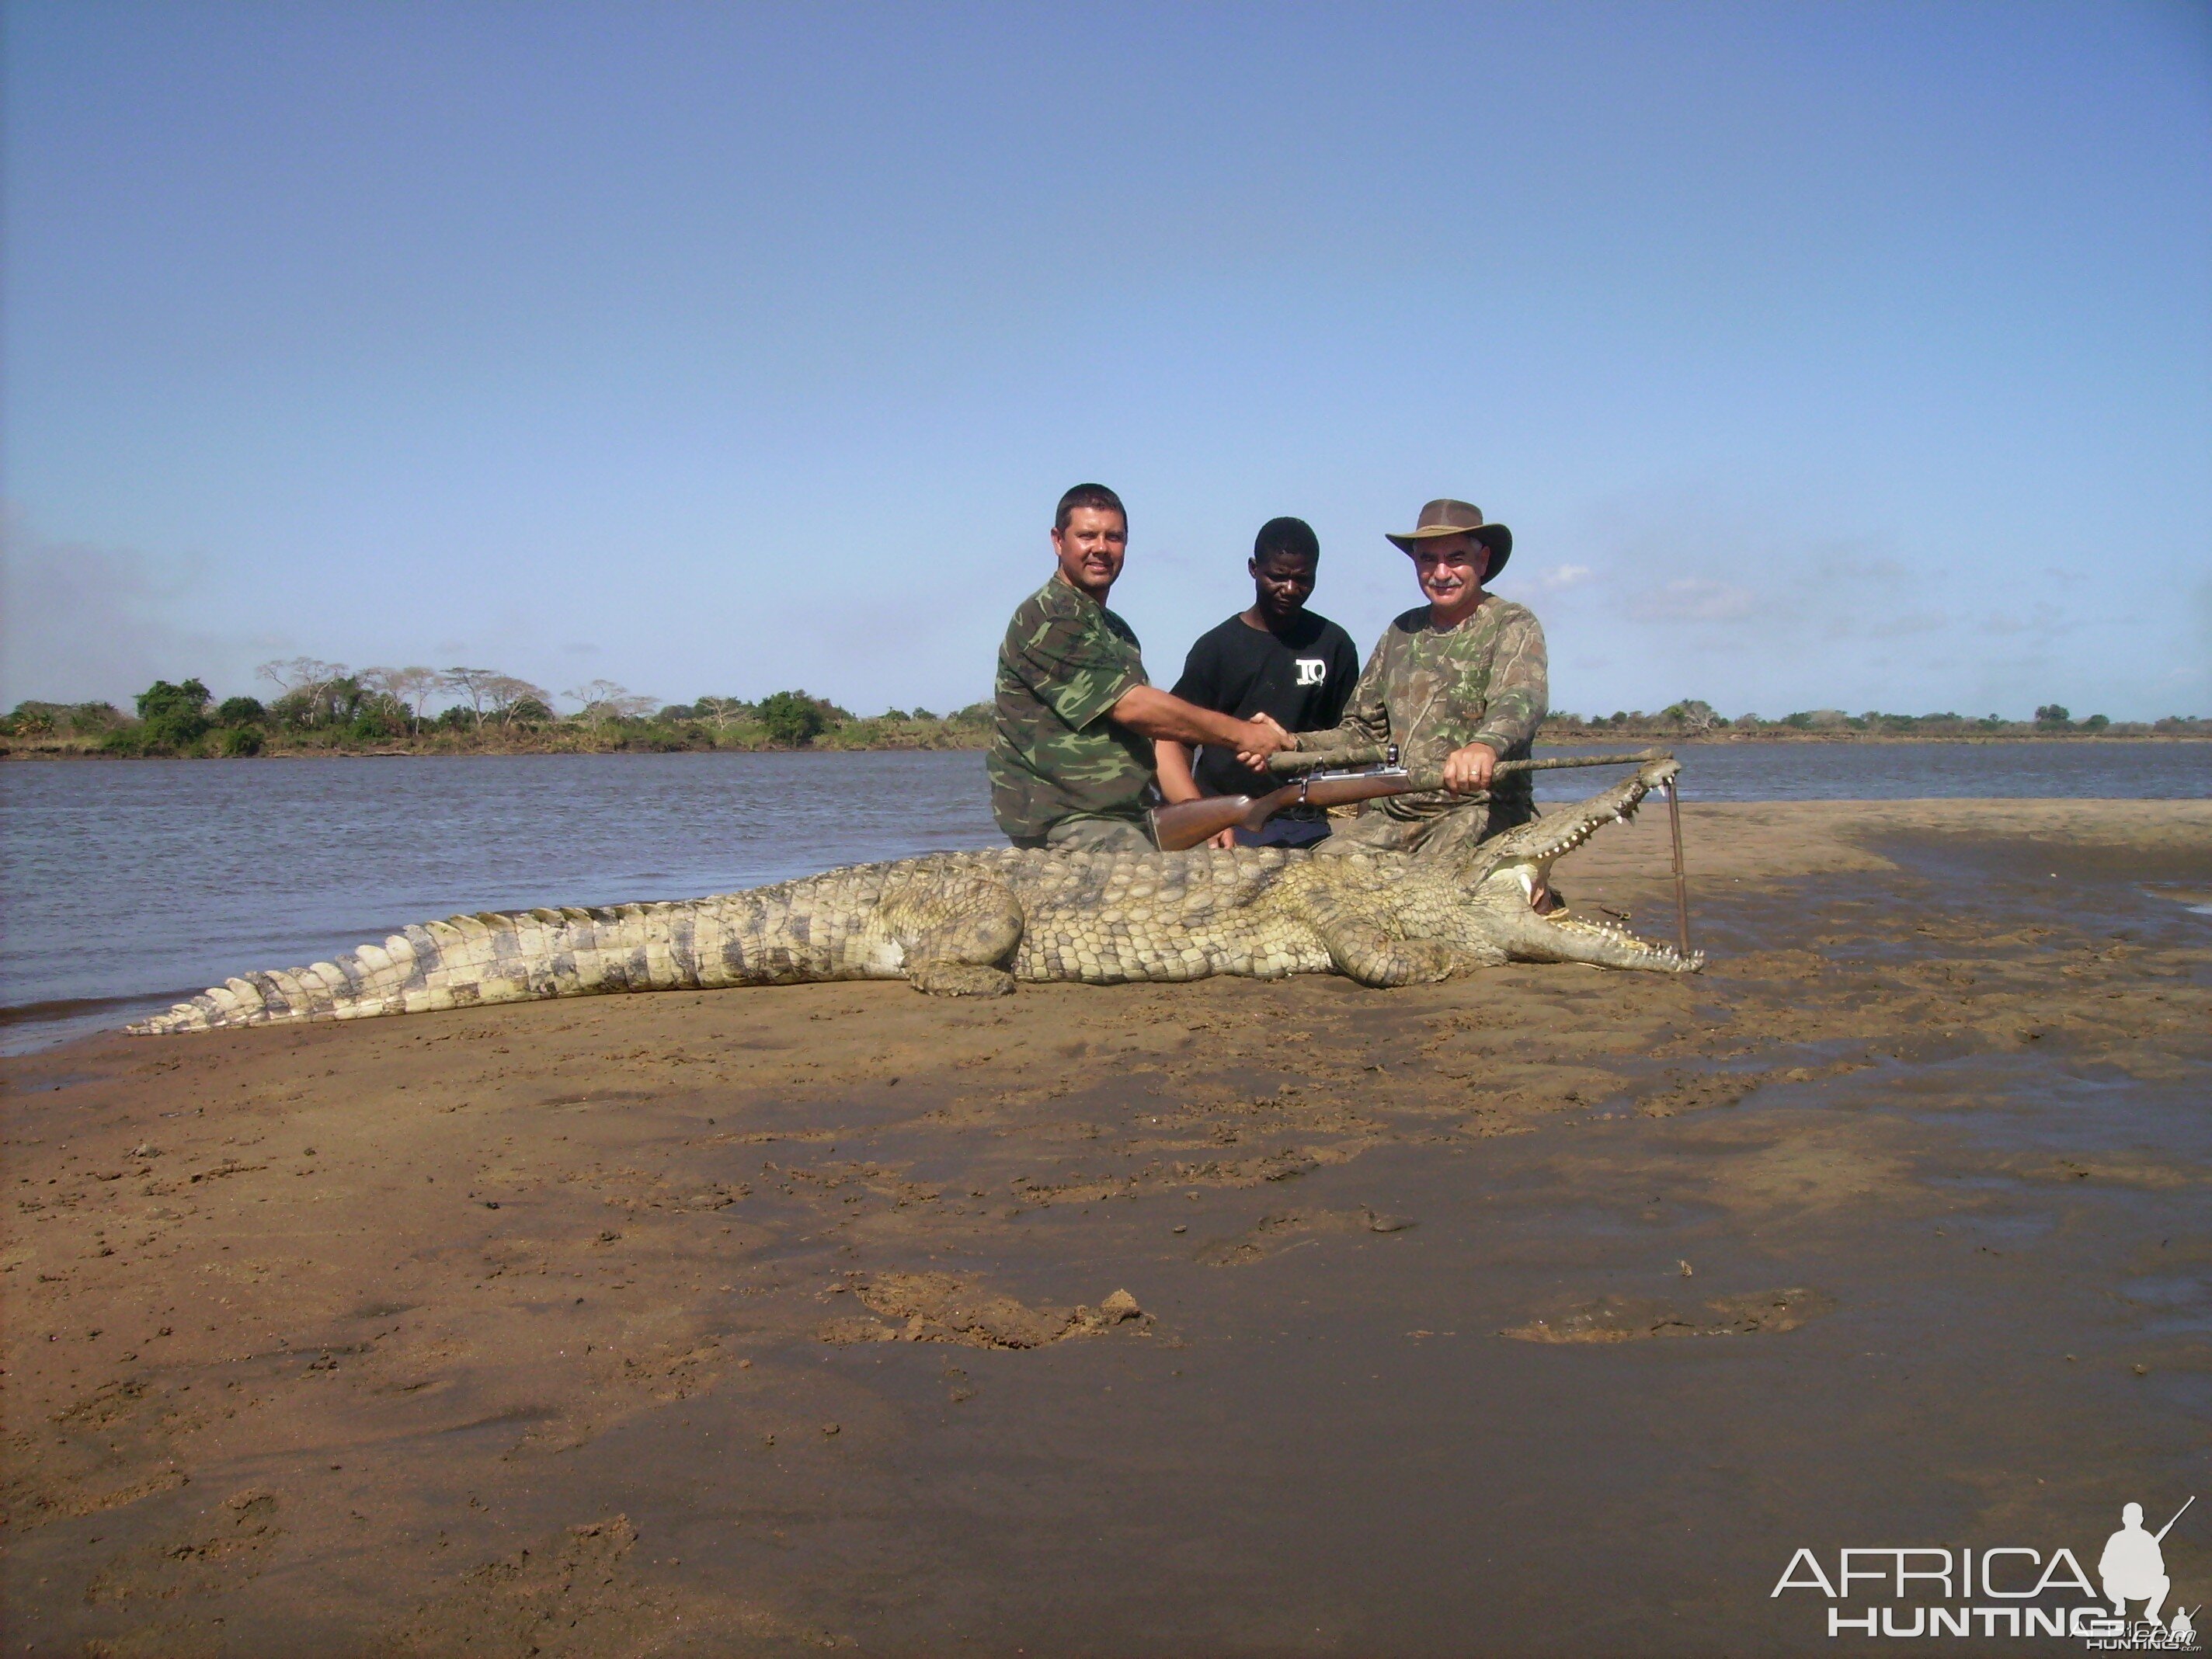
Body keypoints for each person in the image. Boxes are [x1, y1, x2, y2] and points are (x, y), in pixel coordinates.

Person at [987, 484, 1293, 850]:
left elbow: (1155, 737)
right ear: (1058, 541)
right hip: (1065, 821)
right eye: (1087, 535)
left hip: (1130, 814)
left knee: (1223, 863)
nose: (1101, 548)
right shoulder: (1048, 617)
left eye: (1113, 537)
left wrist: (1196, 812)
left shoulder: (1116, 630)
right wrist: (1243, 734)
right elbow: (1134, 707)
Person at [1298, 498, 1548, 861]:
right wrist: (1293, 743)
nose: (1441, 572)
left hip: (1477, 812)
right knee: (1317, 872)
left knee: (1437, 891)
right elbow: (1361, 732)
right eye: (1428, 559)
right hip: (1394, 816)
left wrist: (1485, 746)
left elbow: (1521, 699)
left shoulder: (1512, 623)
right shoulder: (1401, 631)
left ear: (1483, 560)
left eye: (1456, 558)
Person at [1154, 516, 1361, 848]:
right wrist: (1199, 815)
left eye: (1302, 579)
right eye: (1277, 577)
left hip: (1306, 824)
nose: (1290, 589)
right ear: (1253, 568)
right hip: (1226, 827)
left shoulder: (1334, 645)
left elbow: (1356, 738)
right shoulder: (1217, 647)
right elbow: (1171, 741)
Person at [2099, 1503, 2173, 1626]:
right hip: (2120, 1587)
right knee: (2108, 1580)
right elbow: (2103, 1568)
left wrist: (2142, 1567)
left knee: (2164, 1581)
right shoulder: (2116, 1539)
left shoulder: (2148, 1539)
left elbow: (2160, 1569)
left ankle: (2151, 1612)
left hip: (2142, 1587)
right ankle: (2119, 1603)